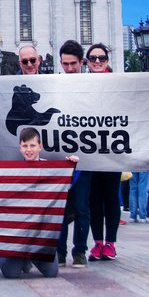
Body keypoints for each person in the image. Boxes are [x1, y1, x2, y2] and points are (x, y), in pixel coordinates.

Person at [0, 128, 60, 279]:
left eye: (32, 146)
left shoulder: (50, 169)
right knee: (11, 274)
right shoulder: (14, 171)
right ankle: (11, 257)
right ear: (20, 147)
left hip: (40, 236)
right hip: (18, 234)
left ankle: (31, 257)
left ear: (40, 146)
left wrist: (72, 165)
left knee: (52, 272)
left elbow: (69, 181)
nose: (29, 150)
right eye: (25, 146)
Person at [54, 40, 92, 268]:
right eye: (65, 64)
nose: (69, 68)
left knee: (81, 207)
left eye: (73, 64)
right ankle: (59, 251)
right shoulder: (54, 84)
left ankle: (79, 251)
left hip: (85, 158)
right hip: (59, 158)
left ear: (81, 63)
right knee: (59, 207)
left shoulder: (90, 85)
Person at [84, 43, 122, 261]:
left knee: (111, 197)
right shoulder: (82, 83)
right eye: (93, 58)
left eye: (101, 58)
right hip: (90, 151)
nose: (97, 61)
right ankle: (98, 242)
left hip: (111, 150)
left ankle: (111, 243)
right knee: (94, 199)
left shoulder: (118, 83)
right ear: (87, 62)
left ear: (107, 60)